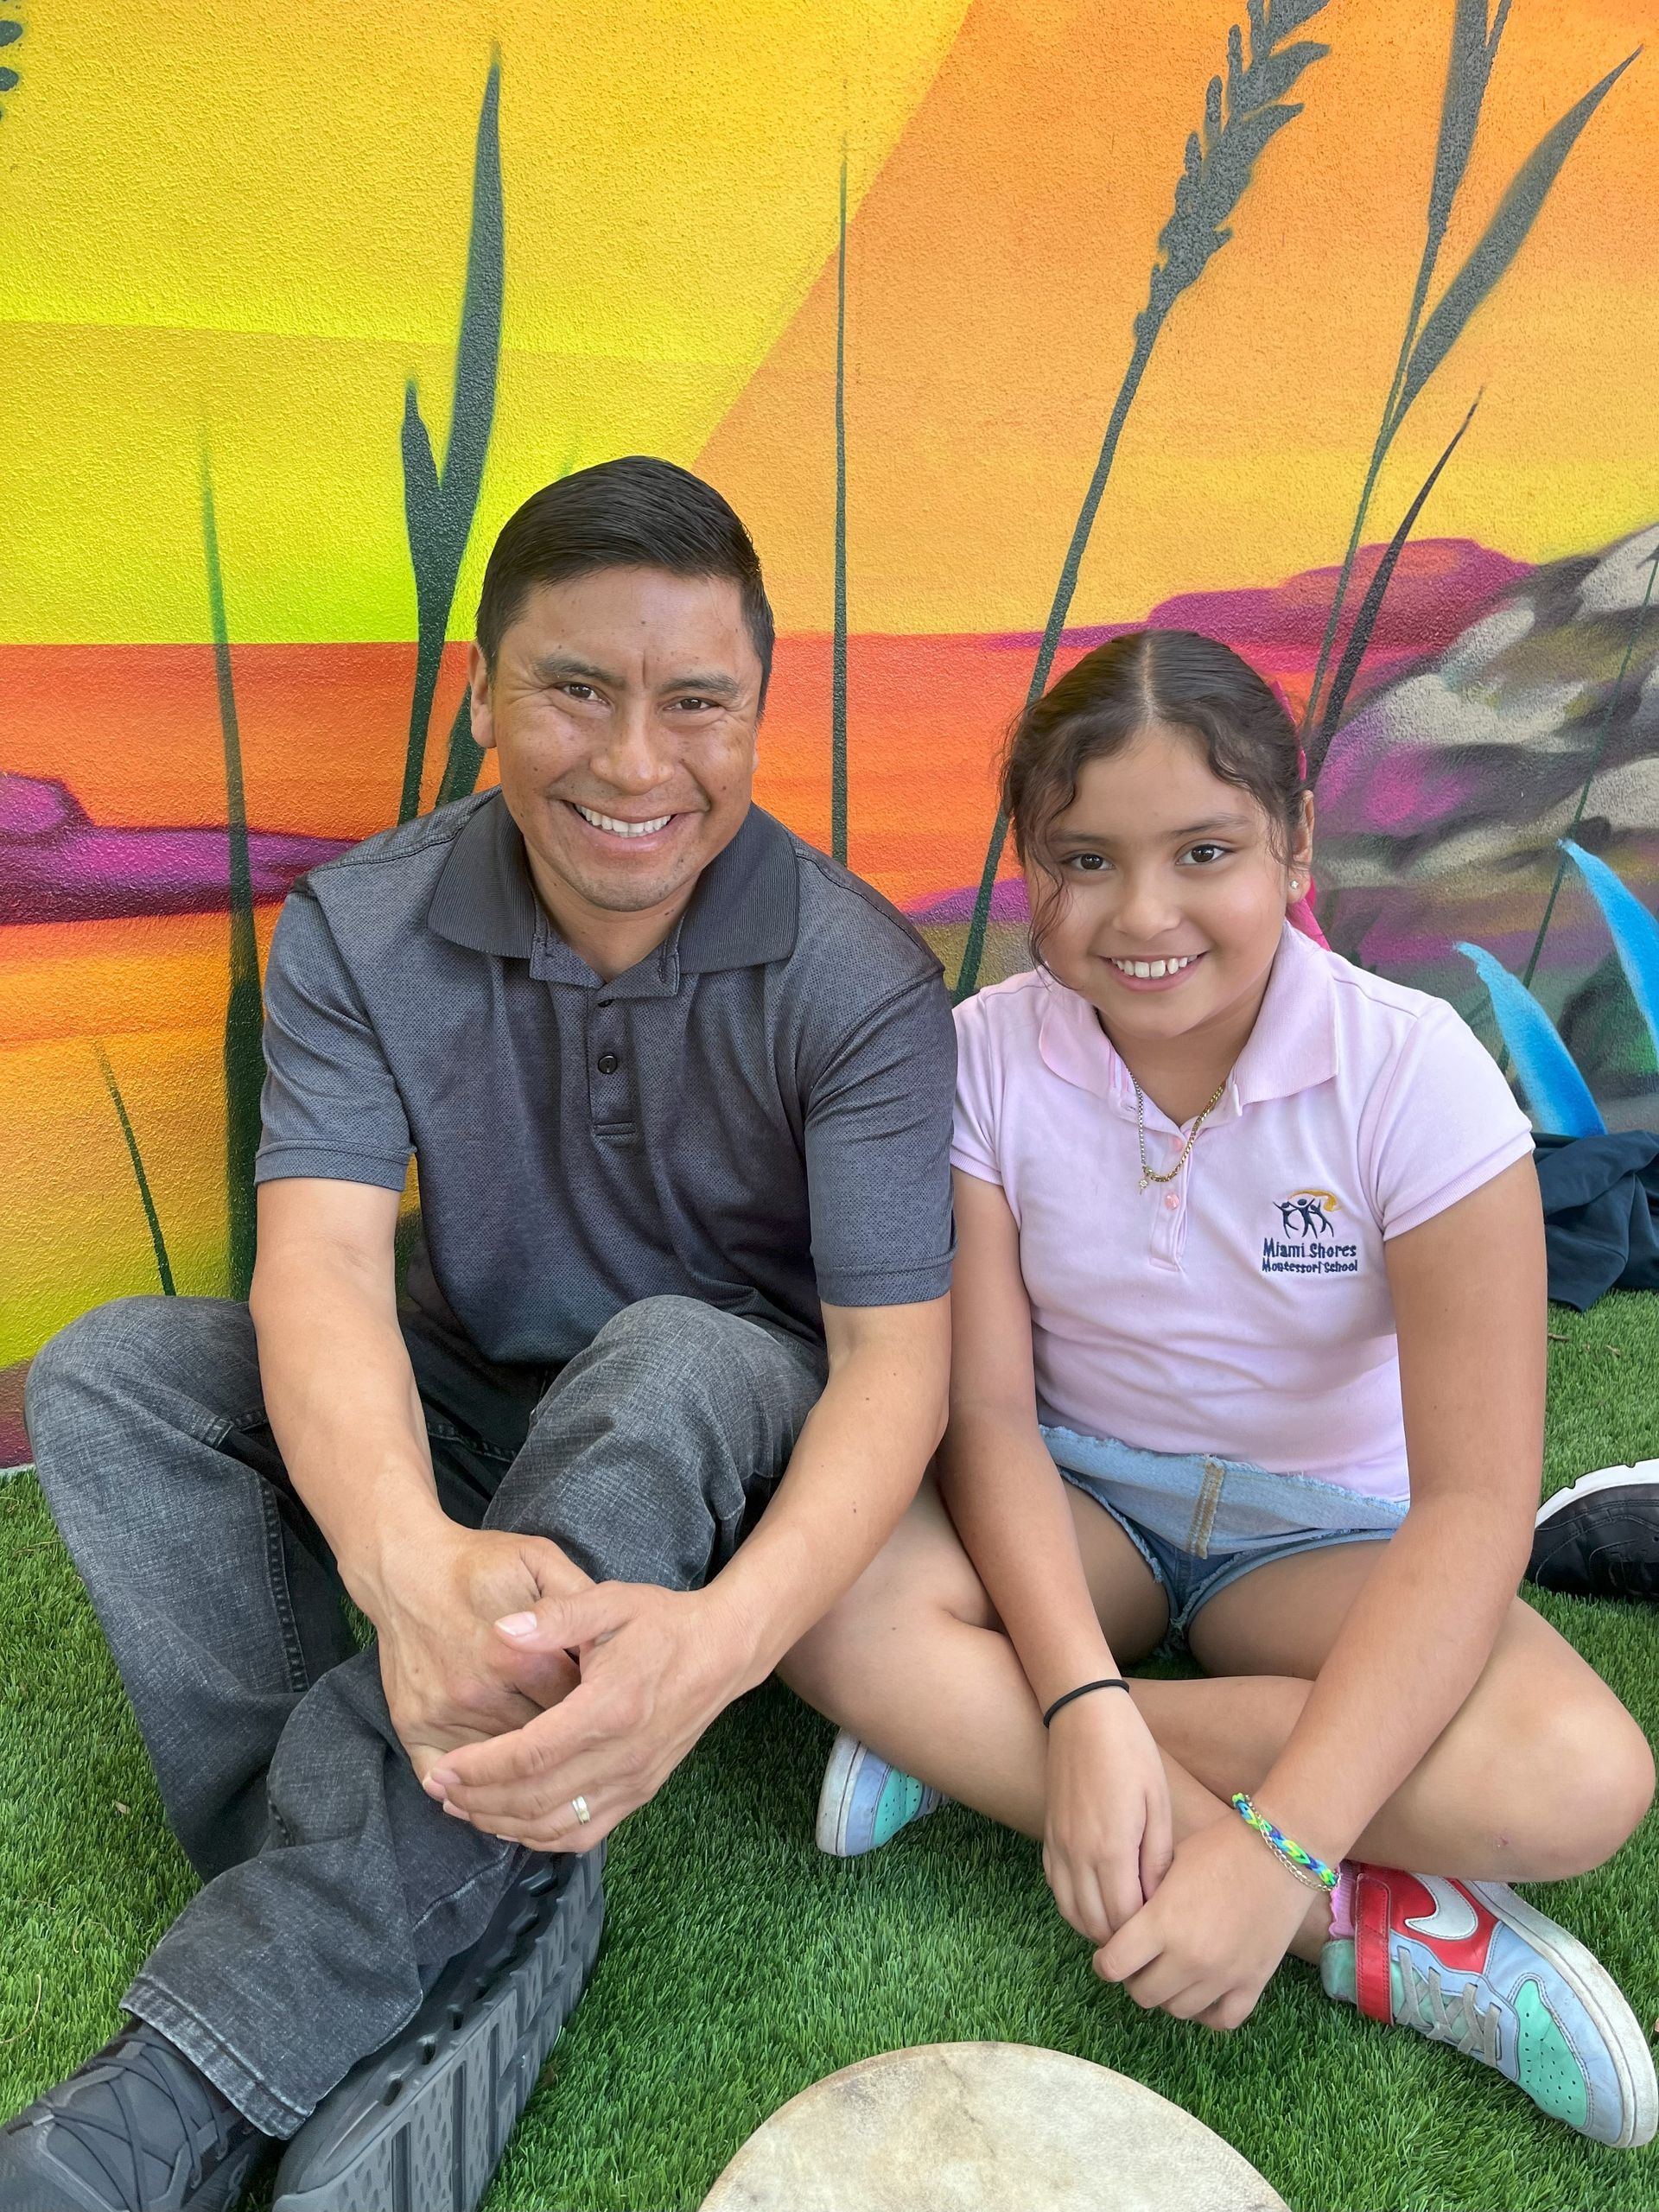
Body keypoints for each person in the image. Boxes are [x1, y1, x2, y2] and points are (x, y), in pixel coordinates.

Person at [6, 458, 956, 2212]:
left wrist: (726, 1646)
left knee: (670, 1353)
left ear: (760, 710)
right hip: (475, 1399)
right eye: (574, 689)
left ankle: (168, 2098)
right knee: (112, 1379)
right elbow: (322, 1272)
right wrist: (403, 1560)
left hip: (717, 1421)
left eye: (695, 703)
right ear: (485, 695)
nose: (633, 762)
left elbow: (900, 1369)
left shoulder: (858, 974)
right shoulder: (365, 924)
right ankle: (471, 1896)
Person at [785, 629, 1658, 2149]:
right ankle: (1393, 1941)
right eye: (1085, 859)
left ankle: (966, 1739)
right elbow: (982, 1415)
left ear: (1297, 840)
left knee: (1577, 1780)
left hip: (1321, 1538)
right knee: (824, 1601)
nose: (1144, 916)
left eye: (1206, 851)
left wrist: (1273, 1847)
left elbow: (1469, 1506)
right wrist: (1078, 1692)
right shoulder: (982, 1055)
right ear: (1028, 863)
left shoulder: (1417, 1075)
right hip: (1080, 1501)